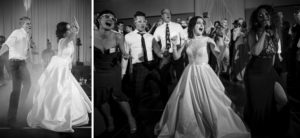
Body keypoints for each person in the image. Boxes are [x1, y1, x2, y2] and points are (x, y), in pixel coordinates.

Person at [154, 16, 250, 138]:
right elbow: (177, 57)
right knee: (187, 103)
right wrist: (173, 45)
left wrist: (225, 46)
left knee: (210, 101)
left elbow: (218, 59)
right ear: (192, 26)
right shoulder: (187, 41)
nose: (201, 25)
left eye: (202, 23)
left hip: (205, 73)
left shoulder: (208, 39)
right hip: (189, 74)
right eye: (198, 23)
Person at [27, 19, 92, 132]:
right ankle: (56, 115)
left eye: (69, 29)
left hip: (65, 66)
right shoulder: (63, 40)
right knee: (60, 90)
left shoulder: (69, 41)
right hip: (60, 68)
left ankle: (73, 115)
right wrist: (76, 29)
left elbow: (70, 55)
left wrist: (70, 65)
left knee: (69, 89)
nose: (69, 30)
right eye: (68, 29)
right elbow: (72, 36)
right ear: (63, 31)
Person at [244, 5, 288, 137]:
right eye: (260, 15)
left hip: (269, 72)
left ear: (271, 17)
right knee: (259, 108)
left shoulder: (275, 31)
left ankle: (275, 127)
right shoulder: (253, 32)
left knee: (283, 100)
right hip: (255, 74)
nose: (264, 17)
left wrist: (273, 72)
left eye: (266, 15)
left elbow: (274, 54)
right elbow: (255, 51)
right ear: (256, 19)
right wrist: (264, 32)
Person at [94, 10, 136, 133]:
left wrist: (126, 55)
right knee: (101, 97)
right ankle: (110, 119)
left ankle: (130, 118)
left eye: (113, 18)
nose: (110, 19)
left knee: (117, 94)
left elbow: (124, 52)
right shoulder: (92, 35)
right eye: (107, 17)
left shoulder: (118, 36)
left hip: (113, 69)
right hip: (99, 71)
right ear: (98, 19)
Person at [123, 11, 163, 114]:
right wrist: (123, 72)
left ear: (146, 22)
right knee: (138, 92)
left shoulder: (150, 37)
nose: (142, 23)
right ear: (134, 22)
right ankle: (136, 112)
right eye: (139, 21)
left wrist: (165, 53)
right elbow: (125, 56)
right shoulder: (128, 37)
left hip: (152, 65)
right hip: (139, 67)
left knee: (158, 87)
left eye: (144, 21)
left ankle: (155, 110)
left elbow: (158, 52)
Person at [0, 17, 32, 128]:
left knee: (28, 84)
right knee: (16, 91)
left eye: (30, 23)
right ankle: (11, 119)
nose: (29, 25)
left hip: (22, 63)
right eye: (27, 24)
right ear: (22, 24)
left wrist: (27, 57)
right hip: (15, 64)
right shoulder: (17, 32)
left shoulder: (26, 35)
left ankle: (20, 106)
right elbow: (6, 45)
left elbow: (24, 50)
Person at [153, 8, 184, 104]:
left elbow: (183, 39)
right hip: (165, 55)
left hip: (176, 53)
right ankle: (165, 101)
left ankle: (182, 98)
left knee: (181, 77)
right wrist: (158, 53)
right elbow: (154, 41)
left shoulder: (177, 26)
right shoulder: (158, 29)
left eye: (169, 13)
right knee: (163, 78)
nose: (168, 14)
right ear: (161, 16)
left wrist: (180, 51)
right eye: (165, 13)